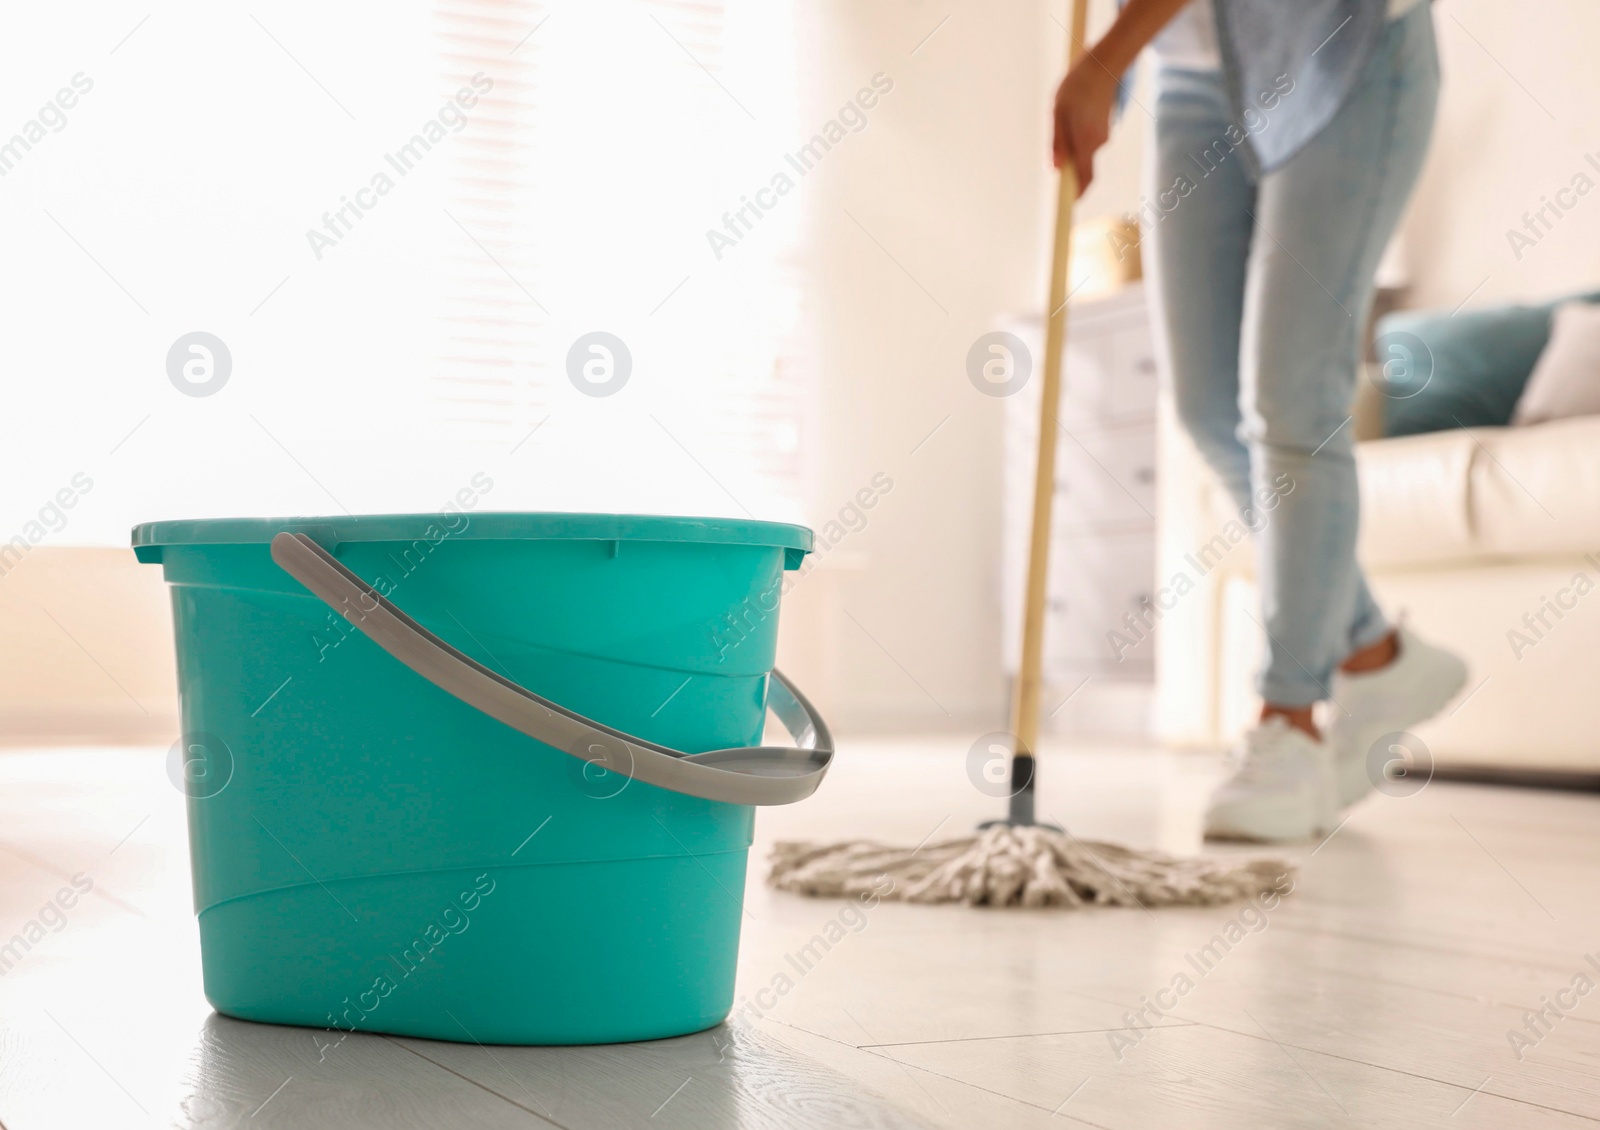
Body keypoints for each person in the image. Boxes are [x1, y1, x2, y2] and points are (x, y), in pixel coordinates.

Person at [1052, 0, 1466, 841]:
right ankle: (1375, 652)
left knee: (1292, 399)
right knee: (1206, 407)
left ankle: (1290, 721)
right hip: (1193, 77)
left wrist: (1102, 62)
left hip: (1341, 52)